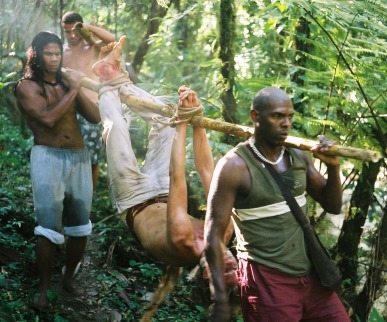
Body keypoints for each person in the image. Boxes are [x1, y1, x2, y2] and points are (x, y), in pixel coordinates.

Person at [90, 36, 236, 277]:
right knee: (167, 122)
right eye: (235, 268)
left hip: (133, 200)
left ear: (207, 271)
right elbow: (208, 172)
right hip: (163, 192)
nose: (232, 263)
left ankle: (106, 85)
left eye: (225, 270)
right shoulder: (225, 230)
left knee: (115, 128)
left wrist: (183, 121)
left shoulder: (184, 241)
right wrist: (196, 119)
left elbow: (177, 176)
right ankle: (115, 76)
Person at [204, 87, 351, 321]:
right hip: (267, 281)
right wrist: (220, 299)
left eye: (290, 117)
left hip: (312, 277)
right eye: (277, 116)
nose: (286, 123)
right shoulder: (234, 167)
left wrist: (334, 167)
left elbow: (332, 206)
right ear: (255, 116)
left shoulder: (299, 156)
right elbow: (212, 236)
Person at [15, 31, 100, 312]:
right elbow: (48, 119)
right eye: (48, 54)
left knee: (80, 225)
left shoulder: (66, 82)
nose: (54, 59)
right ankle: (43, 288)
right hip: (47, 158)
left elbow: (94, 117)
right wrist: (74, 89)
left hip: (78, 157)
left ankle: (67, 279)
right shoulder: (26, 86)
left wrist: (76, 86)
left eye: (57, 54)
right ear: (35, 55)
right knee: (48, 227)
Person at [61, 11, 116, 190]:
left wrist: (88, 28)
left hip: (92, 108)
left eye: (75, 30)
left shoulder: (92, 47)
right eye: (67, 31)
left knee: (92, 157)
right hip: (69, 107)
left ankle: (89, 198)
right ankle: (70, 191)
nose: (71, 35)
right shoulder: (61, 51)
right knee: (69, 152)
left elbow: (111, 39)